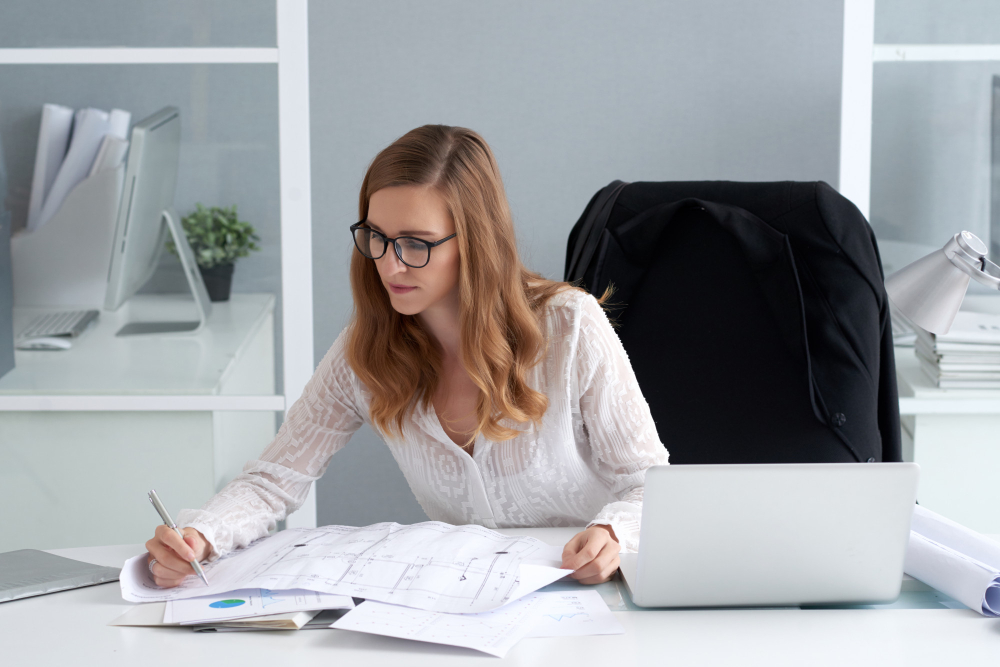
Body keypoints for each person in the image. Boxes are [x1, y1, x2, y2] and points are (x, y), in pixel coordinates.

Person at [145, 124, 669, 589]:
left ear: (475, 241)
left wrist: (611, 532)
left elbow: (651, 486)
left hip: (593, 600)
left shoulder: (569, 326)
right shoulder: (365, 350)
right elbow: (273, 480)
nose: (391, 264)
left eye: (416, 243)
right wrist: (200, 535)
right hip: (472, 601)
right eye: (377, 237)